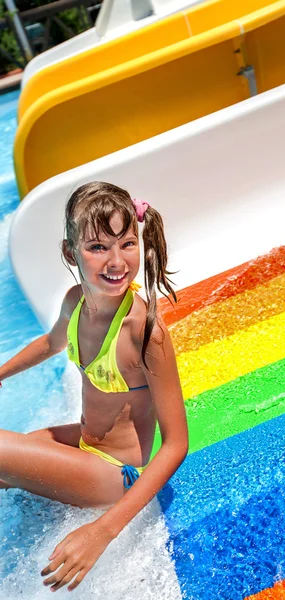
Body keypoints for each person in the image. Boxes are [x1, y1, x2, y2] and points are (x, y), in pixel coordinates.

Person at [0, 181, 188, 592]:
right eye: (98, 247)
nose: (116, 261)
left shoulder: (144, 331)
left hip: (117, 472)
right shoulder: (76, 301)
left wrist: (102, 531)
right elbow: (50, 343)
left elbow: (176, 445)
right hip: (86, 444)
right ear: (70, 253)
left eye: (126, 244)